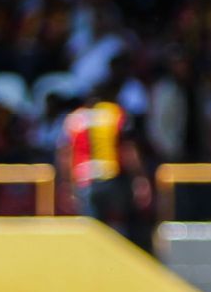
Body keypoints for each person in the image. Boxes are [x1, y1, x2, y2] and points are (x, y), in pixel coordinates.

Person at [55, 57, 153, 239]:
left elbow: (65, 154)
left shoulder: (74, 119)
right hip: (112, 178)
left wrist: (66, 184)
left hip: (85, 180)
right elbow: (128, 150)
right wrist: (140, 177)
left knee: (91, 232)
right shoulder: (115, 113)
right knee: (118, 228)